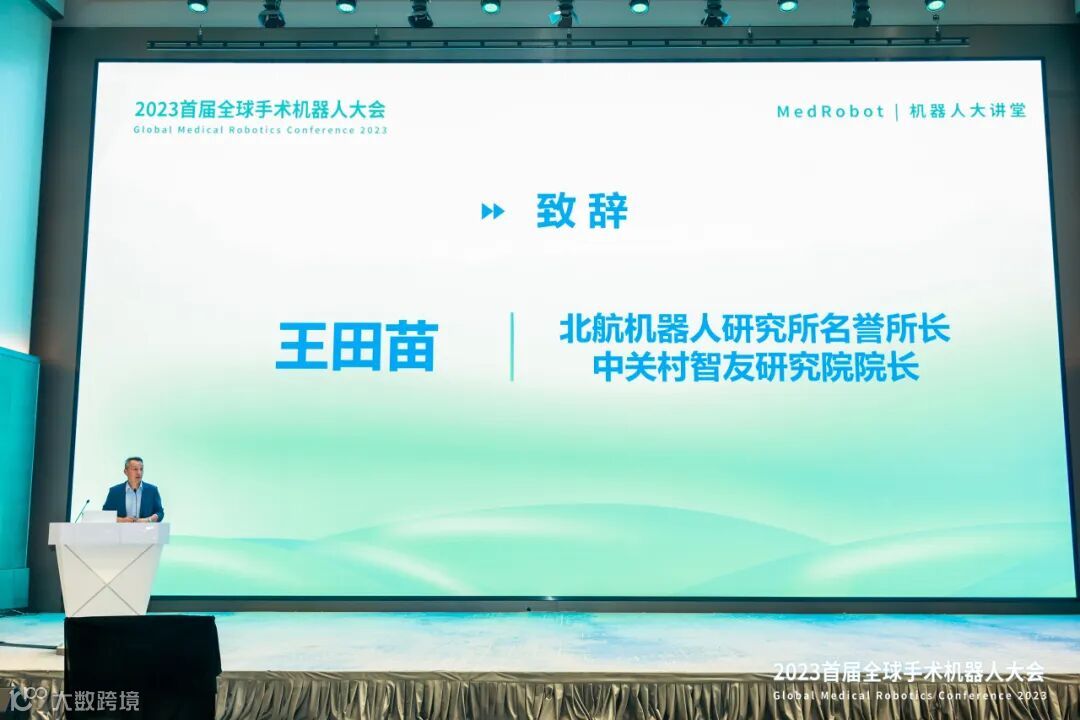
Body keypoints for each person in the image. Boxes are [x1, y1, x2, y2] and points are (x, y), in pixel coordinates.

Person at [102, 456, 165, 523]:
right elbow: (105, 515)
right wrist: (122, 520)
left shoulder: (152, 490)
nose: (139, 472)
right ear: (125, 472)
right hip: (121, 529)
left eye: (141, 469)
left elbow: (160, 513)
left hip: (145, 529)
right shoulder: (115, 491)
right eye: (135, 469)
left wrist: (148, 520)